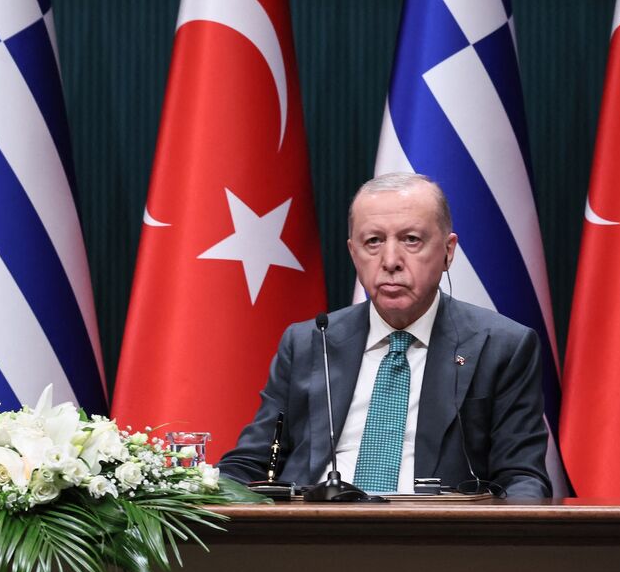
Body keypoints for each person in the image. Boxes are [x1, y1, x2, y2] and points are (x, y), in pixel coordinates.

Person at [218, 173, 550, 498]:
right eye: (373, 241)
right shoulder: (308, 342)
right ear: (353, 253)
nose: (390, 261)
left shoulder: (501, 346)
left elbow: (522, 478)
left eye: (411, 240)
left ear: (448, 251)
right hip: (312, 532)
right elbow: (251, 462)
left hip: (437, 537)